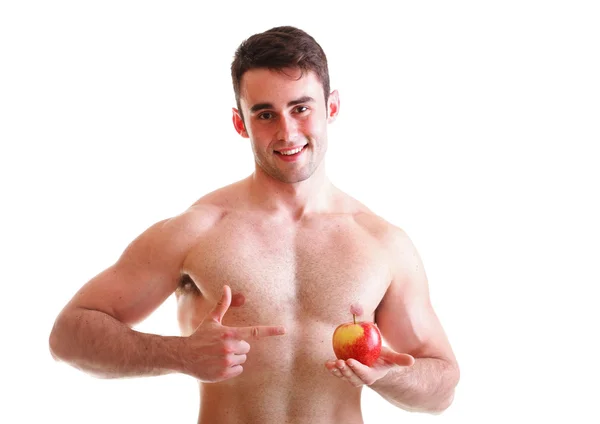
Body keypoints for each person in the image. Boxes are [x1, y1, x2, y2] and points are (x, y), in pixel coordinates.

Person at [49, 25, 460, 423]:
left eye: (301, 108)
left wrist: (391, 376)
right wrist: (180, 355)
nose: (287, 132)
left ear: (331, 107)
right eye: (265, 114)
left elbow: (443, 387)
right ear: (240, 122)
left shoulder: (381, 243)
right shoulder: (199, 230)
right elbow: (68, 336)